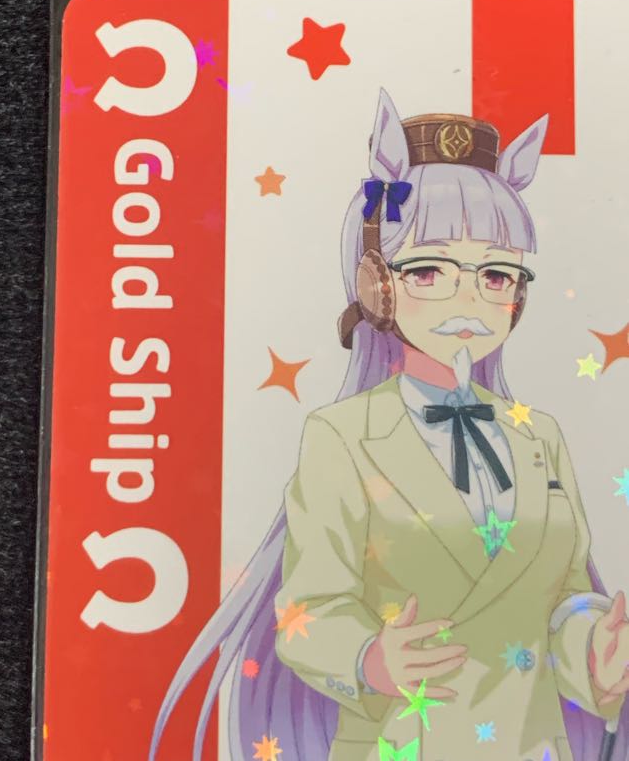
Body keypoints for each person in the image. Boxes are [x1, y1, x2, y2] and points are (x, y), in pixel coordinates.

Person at [149, 88, 629, 761]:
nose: (470, 298)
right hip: (400, 743)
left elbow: (563, 595)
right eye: (429, 270)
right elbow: (308, 611)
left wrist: (594, 652)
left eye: (497, 276)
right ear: (376, 282)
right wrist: (371, 659)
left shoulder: (538, 436)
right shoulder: (343, 436)